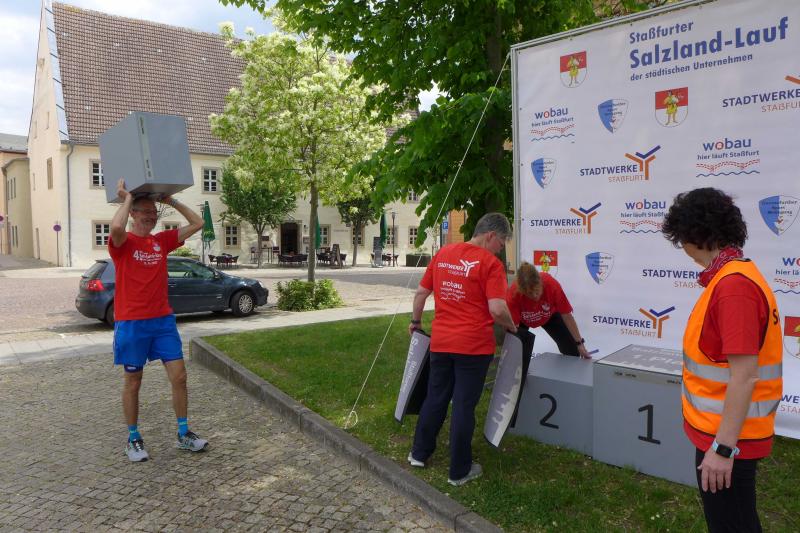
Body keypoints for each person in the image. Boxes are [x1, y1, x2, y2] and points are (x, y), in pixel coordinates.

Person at [661, 187, 782, 532]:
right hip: (722, 434)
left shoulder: (733, 287)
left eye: (681, 239)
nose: (683, 248)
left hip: (729, 440)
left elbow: (744, 376)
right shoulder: (730, 278)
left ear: (696, 235)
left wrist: (724, 450)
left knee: (733, 525)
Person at [407, 212, 517, 486]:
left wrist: (416, 322)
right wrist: (512, 326)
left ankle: (419, 453)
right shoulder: (490, 264)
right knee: (464, 405)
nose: (500, 250)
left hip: (442, 342)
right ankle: (459, 470)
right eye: (501, 243)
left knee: (435, 397)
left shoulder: (443, 253)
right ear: (491, 235)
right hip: (473, 347)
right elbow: (497, 308)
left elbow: (421, 293)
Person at [110, 178, 207, 462]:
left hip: (163, 321)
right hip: (132, 322)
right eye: (146, 212)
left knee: (180, 377)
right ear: (133, 214)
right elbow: (115, 228)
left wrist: (170, 200)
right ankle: (133, 438)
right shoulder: (123, 243)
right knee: (133, 381)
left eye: (154, 213)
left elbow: (198, 223)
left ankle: (183, 434)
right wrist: (127, 197)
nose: (151, 217)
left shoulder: (160, 242)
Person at [506, 262, 590, 358]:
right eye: (529, 293)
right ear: (522, 290)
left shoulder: (551, 284)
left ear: (541, 282)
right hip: (523, 320)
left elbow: (567, 315)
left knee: (572, 349)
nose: (534, 296)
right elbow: (514, 328)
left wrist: (579, 344)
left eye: (537, 291)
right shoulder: (513, 294)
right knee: (516, 352)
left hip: (549, 315)